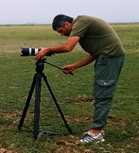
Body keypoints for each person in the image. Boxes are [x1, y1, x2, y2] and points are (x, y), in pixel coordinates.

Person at [34, 14, 124, 144]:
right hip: (106, 57)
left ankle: (96, 133)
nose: (62, 34)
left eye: (61, 31)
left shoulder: (80, 22)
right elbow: (95, 53)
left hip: (109, 59)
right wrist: (74, 66)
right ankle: (97, 130)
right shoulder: (83, 23)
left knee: (102, 94)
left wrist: (47, 50)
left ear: (67, 24)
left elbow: (68, 47)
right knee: (101, 92)